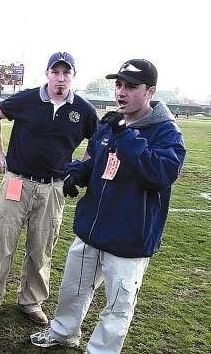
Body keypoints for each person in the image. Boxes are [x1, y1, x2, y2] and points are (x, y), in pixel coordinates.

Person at [30, 59, 186, 352]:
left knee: (118, 304)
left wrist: (126, 136)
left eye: (131, 86)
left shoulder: (167, 133)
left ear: (150, 91)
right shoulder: (111, 123)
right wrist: (78, 171)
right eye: (119, 84)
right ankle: (63, 332)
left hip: (130, 238)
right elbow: (95, 160)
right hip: (92, 228)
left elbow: (159, 175)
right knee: (73, 289)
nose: (121, 91)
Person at [0, 52, 98, 326]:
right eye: (56, 72)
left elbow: (96, 141)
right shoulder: (27, 99)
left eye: (66, 73)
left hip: (54, 188)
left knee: (41, 248)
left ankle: (31, 301)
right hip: (16, 180)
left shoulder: (85, 111)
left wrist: (81, 167)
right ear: (47, 74)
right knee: (1, 242)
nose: (61, 78)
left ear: (73, 76)